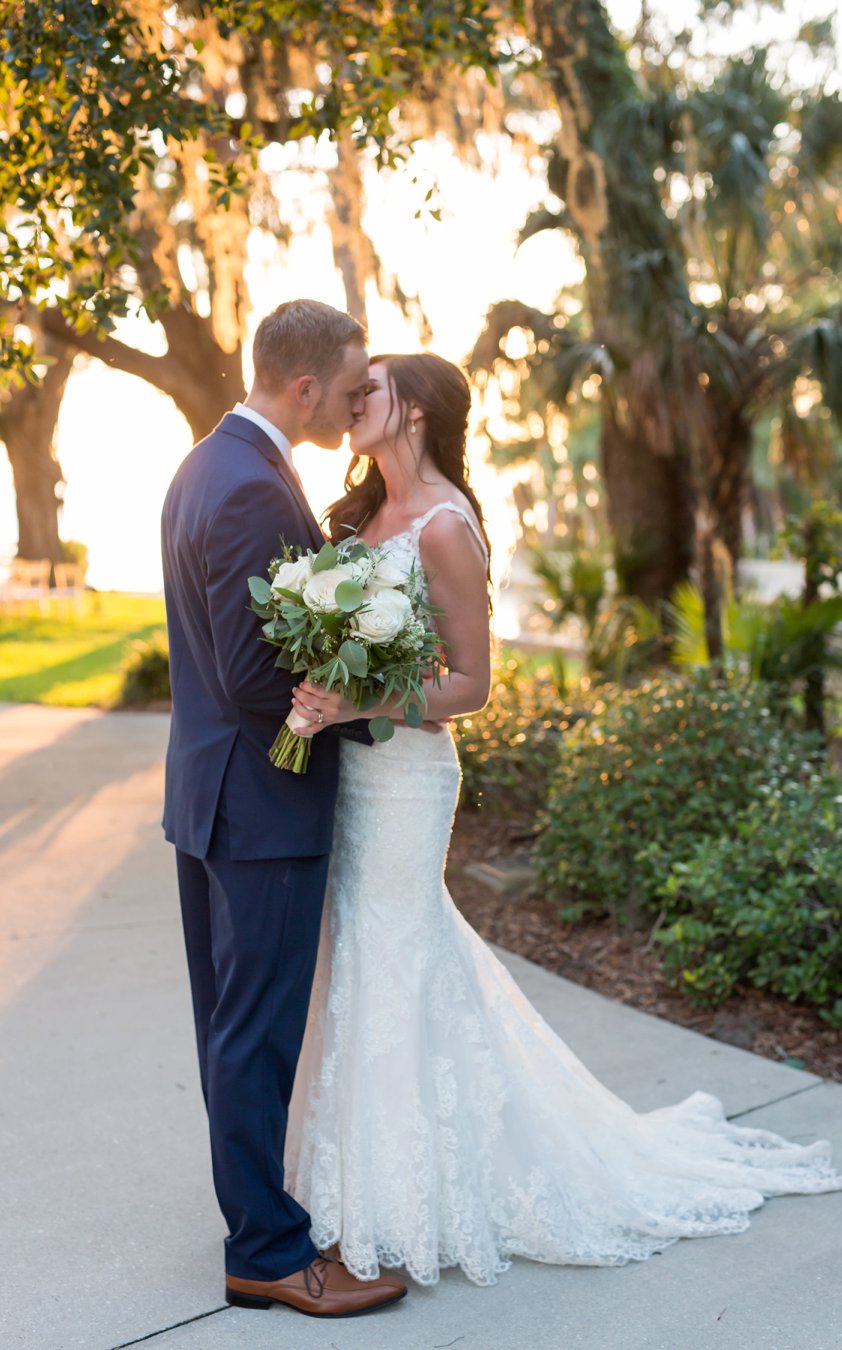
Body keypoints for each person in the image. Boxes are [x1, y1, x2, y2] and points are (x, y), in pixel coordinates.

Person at [283, 351, 842, 1288]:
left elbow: (473, 684)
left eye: (371, 389)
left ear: (415, 412)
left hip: (409, 776)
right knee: (356, 955)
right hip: (350, 773)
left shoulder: (444, 526)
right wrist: (326, 689)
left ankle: (405, 1197)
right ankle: (349, 1181)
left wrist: (360, 700)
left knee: (395, 952)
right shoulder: (358, 518)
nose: (353, 402)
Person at [161, 299, 407, 1318]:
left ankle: (259, 1226)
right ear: (304, 388)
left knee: (234, 1027)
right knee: (253, 1033)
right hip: (261, 802)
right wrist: (363, 703)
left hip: (215, 794)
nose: (357, 403)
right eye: (350, 389)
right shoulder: (254, 490)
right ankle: (267, 1249)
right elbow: (259, 674)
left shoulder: (206, 467)